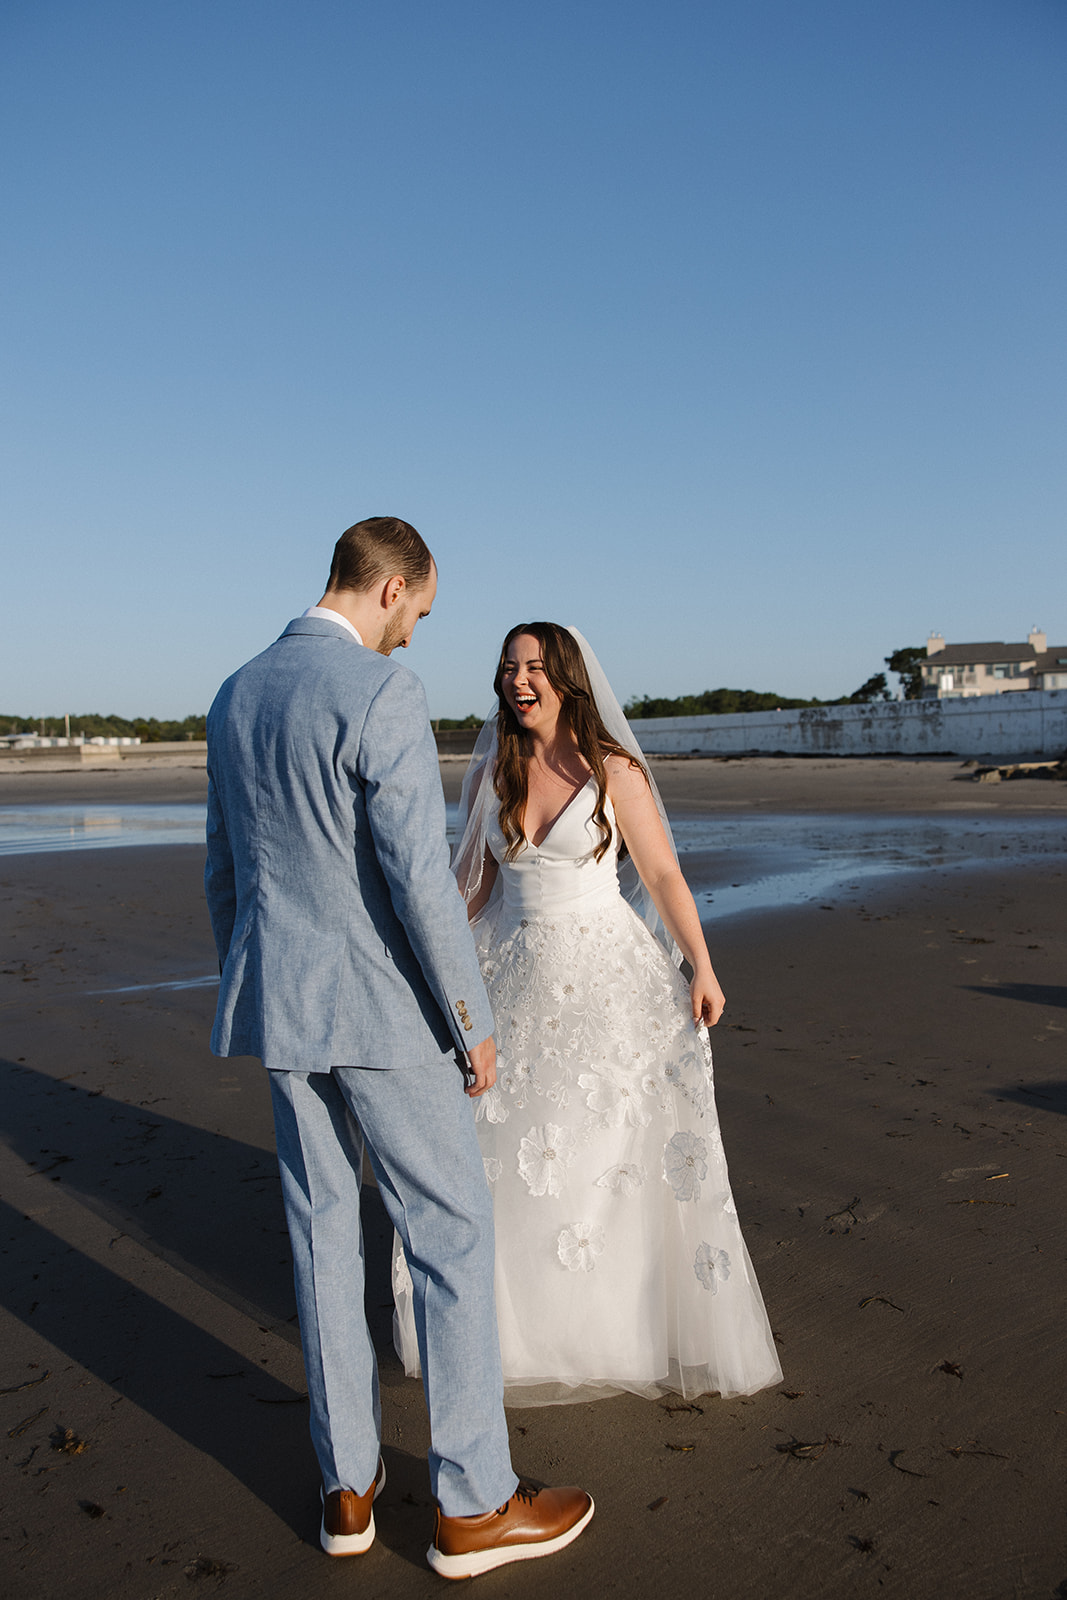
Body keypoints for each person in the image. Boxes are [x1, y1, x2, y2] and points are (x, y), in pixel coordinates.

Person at [205, 524, 593, 1578]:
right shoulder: (382, 693)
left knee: (322, 1236)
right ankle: (471, 1504)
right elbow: (420, 879)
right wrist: (470, 1019)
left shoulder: (234, 694)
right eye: (417, 608)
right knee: (452, 1234)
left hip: (281, 1007)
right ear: (390, 586)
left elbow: (223, 878)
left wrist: (258, 983)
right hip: (379, 1013)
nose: (416, 628)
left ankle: (347, 1490)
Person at [393, 622, 782, 1405]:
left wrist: (701, 964)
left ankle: (607, 1331)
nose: (518, 679)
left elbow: (663, 875)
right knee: (512, 1154)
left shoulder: (614, 771)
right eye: (508, 667)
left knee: (599, 1149)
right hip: (515, 976)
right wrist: (432, 981)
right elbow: (468, 892)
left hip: (607, 980)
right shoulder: (491, 776)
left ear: (569, 680)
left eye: (534, 667)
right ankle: (516, 1334)